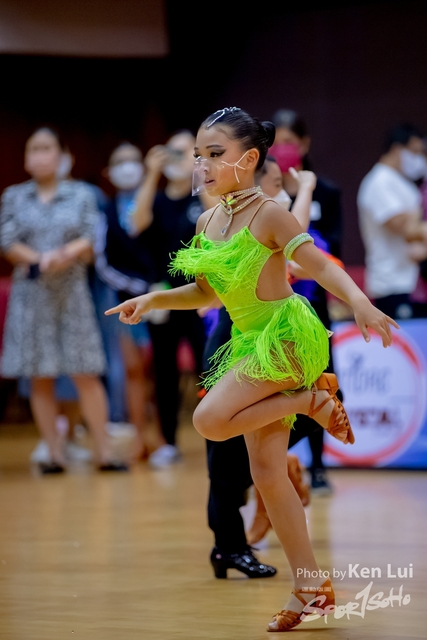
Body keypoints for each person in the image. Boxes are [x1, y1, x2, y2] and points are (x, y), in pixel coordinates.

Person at [106, 107, 398, 631]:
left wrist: (359, 302)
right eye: (200, 155)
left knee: (208, 420)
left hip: (285, 340)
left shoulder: (269, 214)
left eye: (215, 154)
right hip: (246, 345)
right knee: (267, 475)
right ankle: (311, 589)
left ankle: (310, 399)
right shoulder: (208, 221)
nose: (202, 164)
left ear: (249, 159)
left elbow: (318, 265)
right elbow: (206, 292)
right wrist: (152, 300)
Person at [204, 155, 315, 578]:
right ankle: (228, 544)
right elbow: (204, 292)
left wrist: (303, 192)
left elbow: (303, 250)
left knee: (262, 462)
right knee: (223, 452)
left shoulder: (269, 215)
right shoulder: (220, 218)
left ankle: (306, 582)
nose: (280, 191)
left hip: (278, 334)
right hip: (234, 337)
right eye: (276, 183)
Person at [0, 127, 127, 473]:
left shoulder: (81, 194)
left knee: (86, 370)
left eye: (47, 148)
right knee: (40, 374)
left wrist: (65, 254)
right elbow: (7, 240)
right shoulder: (14, 196)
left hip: (72, 293)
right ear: (26, 158)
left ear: (61, 155)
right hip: (32, 294)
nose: (40, 155)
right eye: (34, 149)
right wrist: (40, 259)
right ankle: (54, 455)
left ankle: (105, 452)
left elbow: (91, 235)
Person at [270, 109, 344, 494]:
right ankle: (275, 464)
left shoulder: (325, 191)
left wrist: (306, 260)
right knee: (277, 385)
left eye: (288, 142)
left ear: (304, 144)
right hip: (271, 304)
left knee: (322, 381)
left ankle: (317, 466)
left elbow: (335, 246)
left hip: (313, 302)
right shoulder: (264, 192)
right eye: (275, 142)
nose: (281, 149)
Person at [130, 131, 214, 468]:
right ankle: (168, 441)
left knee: (208, 363)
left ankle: (218, 434)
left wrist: (200, 177)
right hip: (164, 297)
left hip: (202, 295)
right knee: (164, 370)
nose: (179, 159)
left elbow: (217, 224)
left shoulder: (200, 199)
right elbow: (137, 223)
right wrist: (151, 173)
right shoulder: (157, 198)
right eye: (173, 152)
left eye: (187, 153)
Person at [95, 142, 165, 460]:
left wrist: (157, 289)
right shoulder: (105, 211)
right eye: (120, 161)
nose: (127, 167)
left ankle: (164, 436)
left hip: (164, 296)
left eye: (133, 160)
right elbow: (103, 261)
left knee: (161, 370)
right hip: (126, 298)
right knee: (134, 370)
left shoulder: (159, 203)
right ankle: (139, 437)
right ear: (108, 172)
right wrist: (138, 288)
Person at [358, 123, 427, 319]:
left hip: (413, 283)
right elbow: (403, 227)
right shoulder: (379, 182)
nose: (419, 159)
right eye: (415, 152)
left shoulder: (403, 183)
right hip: (392, 285)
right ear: (397, 149)